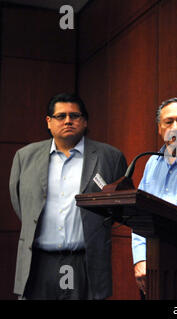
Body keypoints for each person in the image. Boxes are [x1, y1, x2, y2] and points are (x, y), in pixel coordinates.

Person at [9, 93, 127, 300]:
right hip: (38, 262)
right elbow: (21, 203)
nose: (68, 121)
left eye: (75, 116)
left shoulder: (110, 157)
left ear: (85, 121)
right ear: (48, 122)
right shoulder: (25, 156)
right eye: (60, 116)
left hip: (85, 262)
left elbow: (120, 206)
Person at [131, 97, 177, 298]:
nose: (176, 127)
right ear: (159, 128)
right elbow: (139, 215)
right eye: (168, 122)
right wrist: (140, 259)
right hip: (154, 270)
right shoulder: (152, 162)